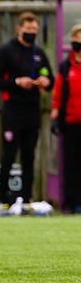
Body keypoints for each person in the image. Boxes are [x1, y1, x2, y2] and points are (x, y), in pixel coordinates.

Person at [0, 11, 53, 213]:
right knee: (8, 155)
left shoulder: (38, 53)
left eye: (34, 30)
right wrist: (17, 82)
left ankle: (26, 199)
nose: (31, 33)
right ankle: (2, 201)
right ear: (19, 29)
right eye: (28, 30)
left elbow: (49, 77)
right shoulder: (6, 51)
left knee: (29, 156)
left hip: (32, 111)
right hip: (12, 111)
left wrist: (45, 81)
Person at [51, 23, 81, 214]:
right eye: (76, 38)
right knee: (71, 165)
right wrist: (55, 117)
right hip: (70, 123)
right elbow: (58, 94)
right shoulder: (65, 65)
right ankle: (70, 203)